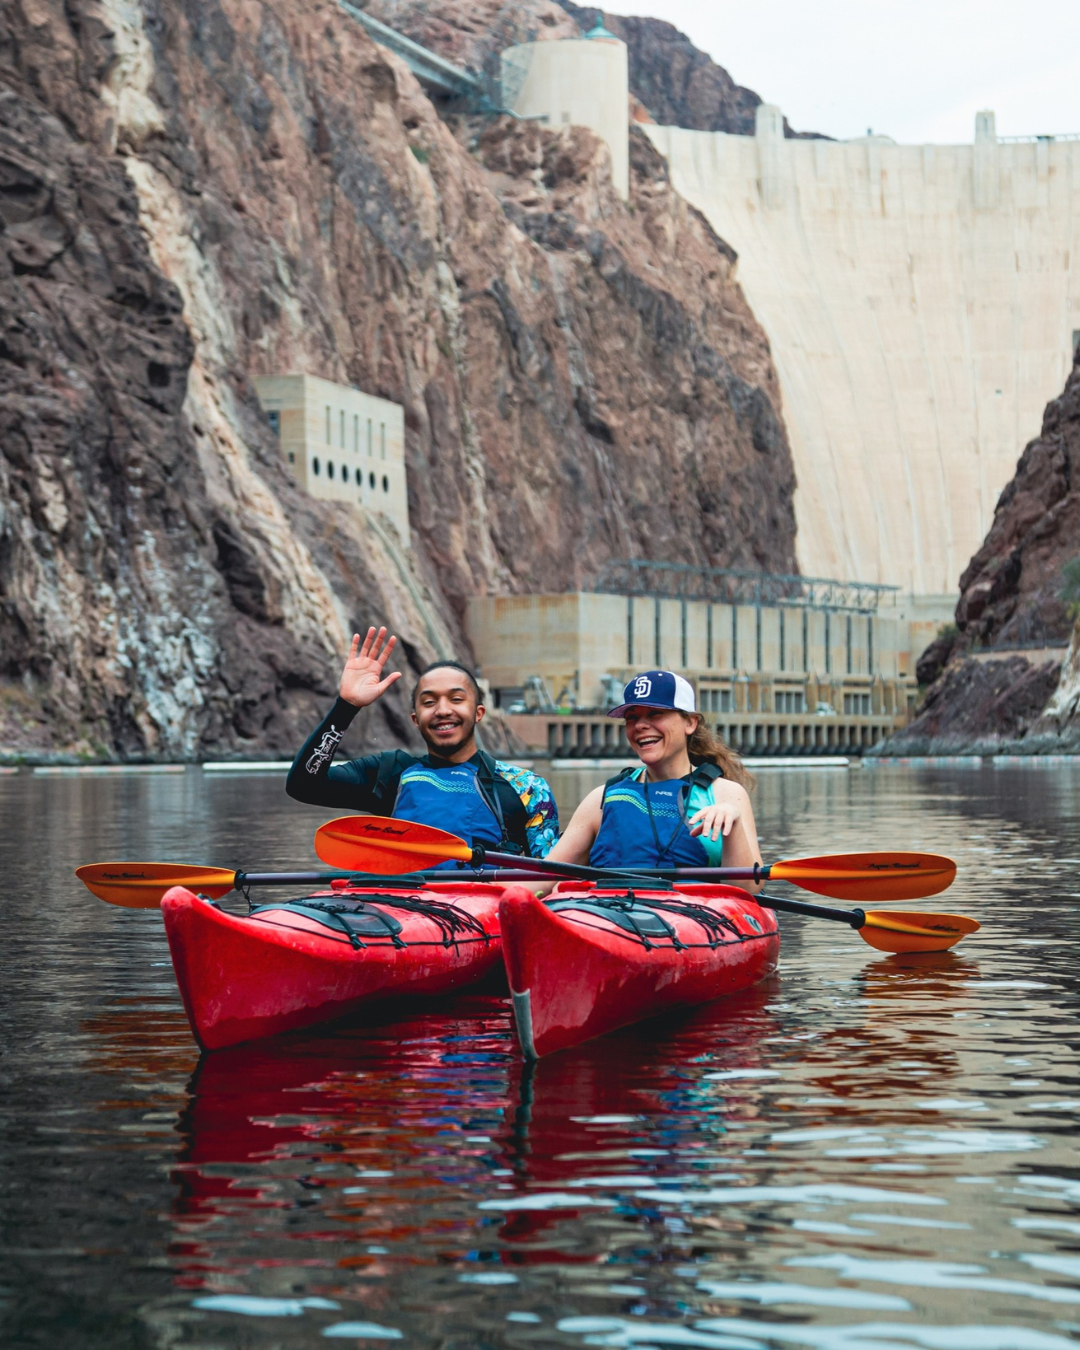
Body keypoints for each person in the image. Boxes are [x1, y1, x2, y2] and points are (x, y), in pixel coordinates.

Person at [286, 626, 559, 859]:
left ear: (478, 714)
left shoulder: (527, 788)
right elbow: (303, 786)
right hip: (405, 908)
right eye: (429, 702)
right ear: (416, 719)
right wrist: (346, 707)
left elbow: (549, 878)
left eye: (456, 699)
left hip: (484, 909)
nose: (442, 710)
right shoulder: (390, 773)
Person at [546, 669, 762, 888]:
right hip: (606, 912)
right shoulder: (601, 799)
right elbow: (543, 876)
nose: (640, 725)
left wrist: (732, 827)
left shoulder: (726, 794)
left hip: (695, 914)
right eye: (632, 718)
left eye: (655, 714)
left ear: (690, 723)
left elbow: (749, 889)